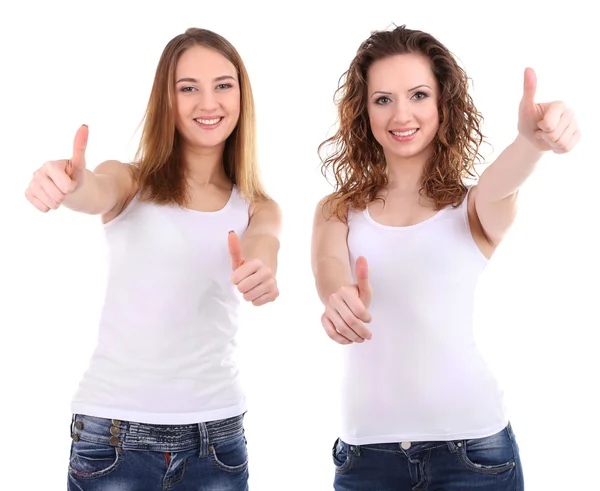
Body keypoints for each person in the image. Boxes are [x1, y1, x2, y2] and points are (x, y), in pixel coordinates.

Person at [311, 25, 579, 490]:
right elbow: (330, 270)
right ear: (363, 111)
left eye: (417, 94)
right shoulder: (338, 209)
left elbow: (504, 180)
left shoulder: (474, 207)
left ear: (442, 104)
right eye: (382, 99)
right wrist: (340, 301)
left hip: (472, 456)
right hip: (365, 461)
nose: (401, 114)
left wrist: (532, 141)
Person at [25, 27, 281, 491]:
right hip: (113, 441)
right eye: (188, 88)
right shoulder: (130, 182)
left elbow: (264, 243)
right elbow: (93, 189)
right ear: (166, 99)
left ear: (242, 96)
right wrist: (66, 183)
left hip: (217, 444)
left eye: (223, 85)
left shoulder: (257, 206)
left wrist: (260, 270)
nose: (209, 103)